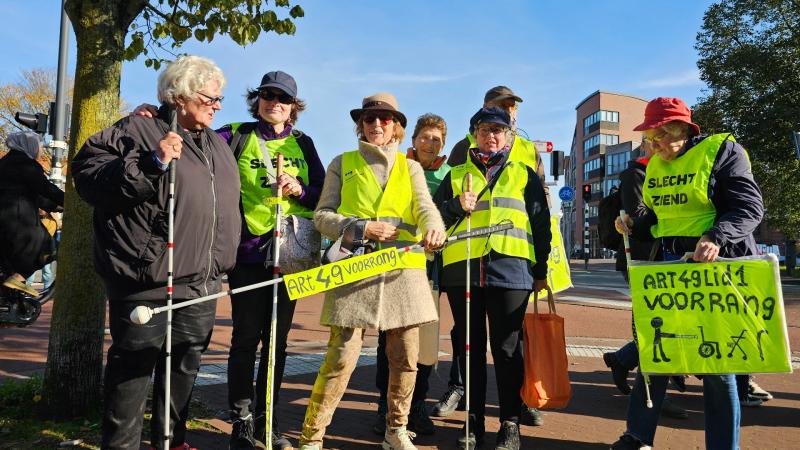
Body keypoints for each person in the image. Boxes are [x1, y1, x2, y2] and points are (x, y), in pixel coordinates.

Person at [133, 70, 326, 449]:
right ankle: (242, 421)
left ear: (293, 107)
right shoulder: (233, 134)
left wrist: (299, 188)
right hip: (247, 254)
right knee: (245, 339)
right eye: (267, 96)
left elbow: (322, 193)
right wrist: (156, 115)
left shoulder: (304, 143)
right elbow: (188, 138)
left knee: (277, 342)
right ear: (257, 101)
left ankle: (266, 419)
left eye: (282, 98)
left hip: (290, 255)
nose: (275, 103)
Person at [72, 55, 241, 450]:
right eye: (211, 98)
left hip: (202, 280)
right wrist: (153, 163)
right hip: (147, 277)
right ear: (180, 95)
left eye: (220, 100)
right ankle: (121, 445)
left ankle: (170, 440)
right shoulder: (137, 128)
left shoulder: (217, 145)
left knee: (185, 363)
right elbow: (89, 178)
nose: (217, 106)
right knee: (133, 368)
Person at [611, 97, 764, 450]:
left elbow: (749, 208)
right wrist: (633, 223)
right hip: (670, 268)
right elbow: (656, 220)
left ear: (680, 129)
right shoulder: (655, 166)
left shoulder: (723, 152)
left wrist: (716, 237)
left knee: (715, 364)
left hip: (717, 269)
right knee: (655, 352)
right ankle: (637, 436)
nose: (653, 146)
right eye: (649, 138)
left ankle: (724, 445)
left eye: (658, 137)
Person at [298, 92, 446, 450]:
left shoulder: (410, 167)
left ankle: (396, 430)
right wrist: (360, 227)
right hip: (355, 271)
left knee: (406, 358)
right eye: (369, 118)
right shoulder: (342, 162)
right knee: (340, 359)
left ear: (396, 127)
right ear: (360, 125)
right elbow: (321, 216)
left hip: (404, 273)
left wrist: (435, 227)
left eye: (384, 118)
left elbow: (425, 207)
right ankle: (312, 437)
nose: (376, 124)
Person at [434, 107, 551, 450]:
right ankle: (473, 423)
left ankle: (510, 423)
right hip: (463, 271)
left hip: (511, 271)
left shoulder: (524, 174)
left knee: (507, 349)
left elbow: (541, 224)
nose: (492, 135)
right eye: (485, 129)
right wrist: (455, 205)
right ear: (474, 134)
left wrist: (541, 270)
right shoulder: (455, 175)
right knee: (470, 349)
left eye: (499, 130)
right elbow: (432, 218)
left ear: (509, 136)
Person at [373, 113, 450, 436]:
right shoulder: (398, 168)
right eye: (425, 137)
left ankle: (415, 405)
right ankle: (384, 409)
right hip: (396, 266)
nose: (430, 143)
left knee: (425, 345)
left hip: (431, 269)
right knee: (388, 342)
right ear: (414, 139)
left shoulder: (450, 175)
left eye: (437, 139)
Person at [601, 142, 688, 420]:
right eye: (658, 139)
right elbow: (637, 218)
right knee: (655, 326)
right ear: (649, 146)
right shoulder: (635, 174)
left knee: (672, 323)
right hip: (645, 260)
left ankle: (623, 359)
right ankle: (653, 395)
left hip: (667, 258)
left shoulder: (675, 171)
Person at [0, 132, 63, 297]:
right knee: (47, 247)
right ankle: (17, 279)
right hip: (19, 222)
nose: (41, 151)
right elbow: (46, 189)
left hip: (5, 223)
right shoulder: (26, 165)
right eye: (39, 147)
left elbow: (32, 194)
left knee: (8, 262)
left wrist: (55, 207)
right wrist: (68, 200)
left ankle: (9, 299)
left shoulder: (4, 163)